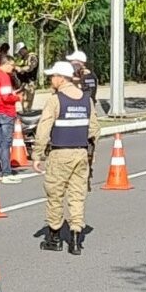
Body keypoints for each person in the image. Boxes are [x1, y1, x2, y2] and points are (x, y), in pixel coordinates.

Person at [32, 61, 100, 256]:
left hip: (59, 153)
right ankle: (76, 239)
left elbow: (43, 129)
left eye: (53, 76)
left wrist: (37, 154)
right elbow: (94, 129)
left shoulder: (55, 100)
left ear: (61, 78)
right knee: (77, 196)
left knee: (55, 195)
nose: (50, 79)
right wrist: (91, 154)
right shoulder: (86, 99)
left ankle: (54, 237)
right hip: (81, 153)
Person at [0, 55, 23, 184]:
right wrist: (18, 98)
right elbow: (6, 97)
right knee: (5, 143)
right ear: (6, 63)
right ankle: (6, 172)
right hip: (5, 112)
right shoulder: (4, 77)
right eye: (12, 65)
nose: (13, 68)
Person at [14, 42, 39, 112]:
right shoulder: (23, 58)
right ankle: (25, 111)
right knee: (23, 99)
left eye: (20, 52)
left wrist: (21, 69)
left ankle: (27, 113)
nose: (19, 54)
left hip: (30, 82)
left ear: (23, 49)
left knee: (28, 100)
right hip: (23, 82)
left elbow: (31, 67)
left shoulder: (32, 56)